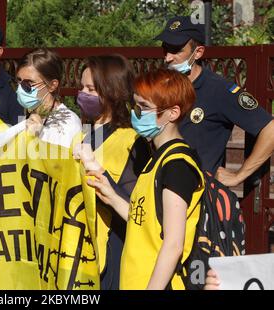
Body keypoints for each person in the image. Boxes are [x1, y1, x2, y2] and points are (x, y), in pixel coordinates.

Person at [86, 68, 204, 290]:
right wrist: (110, 195)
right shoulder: (156, 159)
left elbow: (173, 244)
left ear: (173, 113)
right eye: (136, 106)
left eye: (144, 108)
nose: (136, 114)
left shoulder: (177, 165)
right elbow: (142, 221)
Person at [155, 16, 274, 187]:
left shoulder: (218, 90)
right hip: (159, 190)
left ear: (198, 53)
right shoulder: (161, 86)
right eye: (165, 49)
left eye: (176, 51)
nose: (167, 58)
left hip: (198, 199)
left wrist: (238, 176)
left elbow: (270, 130)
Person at [72, 55, 150, 289]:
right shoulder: (82, 135)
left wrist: (95, 171)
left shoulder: (132, 140)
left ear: (112, 91)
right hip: (77, 248)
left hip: (113, 250)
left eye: (91, 89)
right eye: (82, 87)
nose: (83, 94)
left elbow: (136, 207)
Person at [0, 48, 81, 149]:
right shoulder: (30, 115)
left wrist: (33, 140)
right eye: (19, 81)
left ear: (52, 85)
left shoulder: (66, 124)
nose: (20, 88)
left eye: (29, 83)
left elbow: (59, 163)